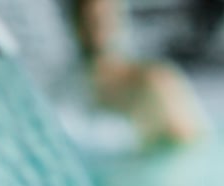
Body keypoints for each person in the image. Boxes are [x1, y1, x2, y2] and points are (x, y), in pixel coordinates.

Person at [72, 0, 208, 147]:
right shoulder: (70, 88)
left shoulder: (156, 81)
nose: (96, 28)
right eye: (89, 19)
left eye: (102, 18)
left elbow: (188, 143)